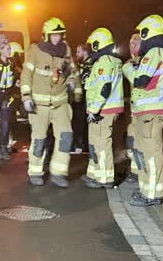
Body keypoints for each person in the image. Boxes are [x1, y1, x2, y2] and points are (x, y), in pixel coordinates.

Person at [20, 17, 81, 187]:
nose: (57, 38)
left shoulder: (66, 49)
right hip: (40, 105)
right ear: (46, 35)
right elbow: (26, 75)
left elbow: (73, 71)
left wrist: (72, 82)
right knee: (39, 140)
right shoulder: (36, 51)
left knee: (66, 137)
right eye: (53, 35)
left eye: (59, 35)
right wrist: (26, 97)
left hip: (61, 103)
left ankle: (58, 172)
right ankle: (35, 171)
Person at [122, 14, 163, 207]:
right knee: (145, 152)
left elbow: (140, 80)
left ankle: (151, 194)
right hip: (148, 112)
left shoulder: (154, 53)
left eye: (141, 35)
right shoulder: (161, 54)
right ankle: (147, 190)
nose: (140, 40)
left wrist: (127, 67)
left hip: (150, 113)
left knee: (151, 153)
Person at [82, 28, 124, 189]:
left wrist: (93, 109)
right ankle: (94, 174)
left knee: (101, 144)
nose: (91, 47)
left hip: (102, 110)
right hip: (104, 109)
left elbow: (104, 88)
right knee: (94, 143)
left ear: (98, 44)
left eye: (92, 44)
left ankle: (105, 178)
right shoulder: (111, 61)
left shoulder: (104, 61)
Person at [122, 33, 142, 183]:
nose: (132, 44)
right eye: (131, 42)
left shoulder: (146, 61)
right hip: (134, 111)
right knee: (132, 140)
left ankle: (139, 172)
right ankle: (135, 170)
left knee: (141, 141)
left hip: (146, 110)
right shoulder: (130, 62)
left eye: (136, 42)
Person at [74, 44, 93, 152]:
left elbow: (84, 82)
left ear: (85, 52)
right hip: (83, 99)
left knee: (84, 123)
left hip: (87, 99)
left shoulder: (89, 65)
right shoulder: (82, 65)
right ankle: (84, 145)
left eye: (78, 52)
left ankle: (84, 145)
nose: (76, 54)